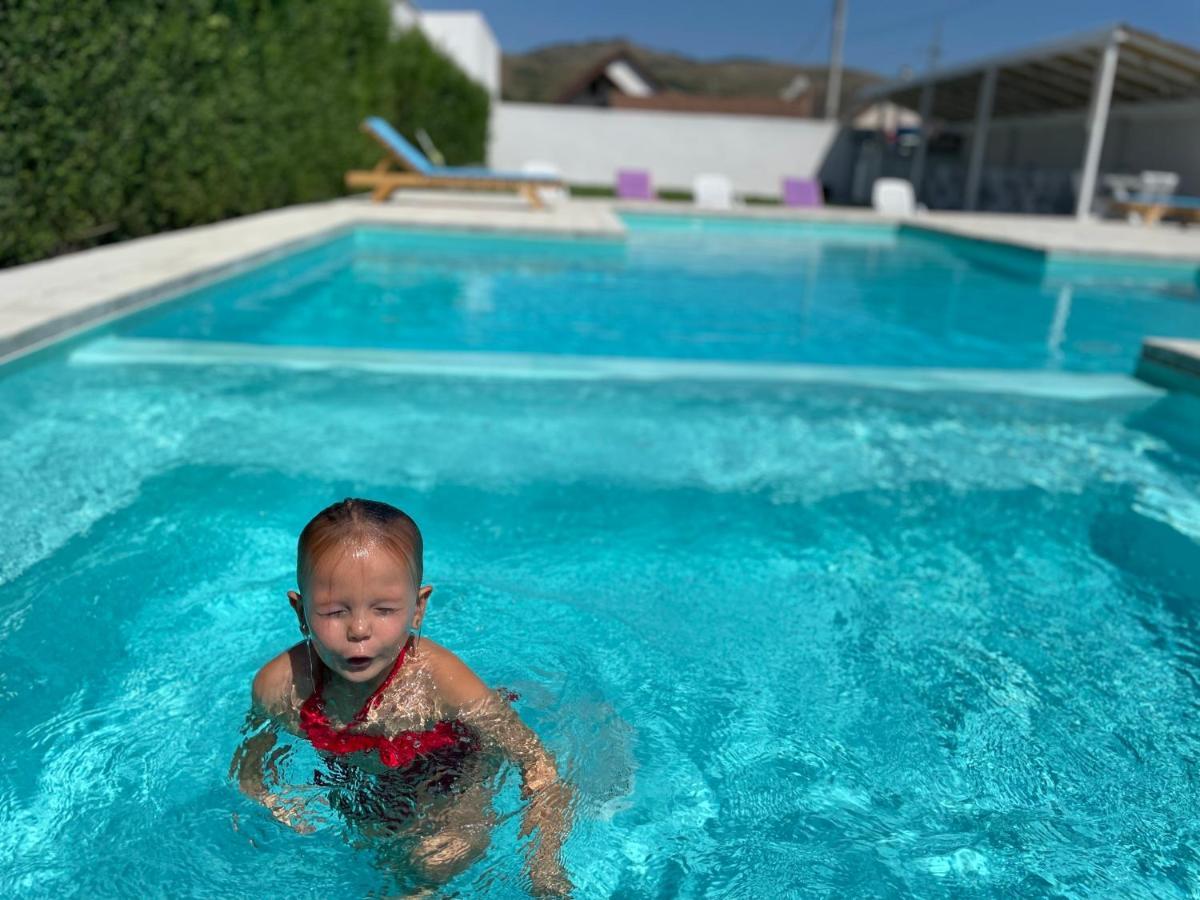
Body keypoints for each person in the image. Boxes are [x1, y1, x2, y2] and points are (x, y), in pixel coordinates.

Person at [230, 498, 573, 896]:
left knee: (437, 858)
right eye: (334, 612)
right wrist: (269, 804)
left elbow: (535, 760)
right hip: (364, 778)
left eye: (384, 609)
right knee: (372, 850)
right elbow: (251, 764)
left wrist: (544, 860)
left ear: (418, 609)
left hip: (453, 766)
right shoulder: (280, 687)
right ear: (300, 613)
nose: (359, 628)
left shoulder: (441, 681)